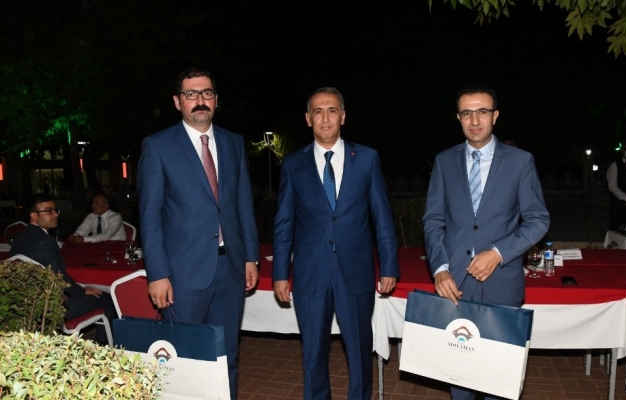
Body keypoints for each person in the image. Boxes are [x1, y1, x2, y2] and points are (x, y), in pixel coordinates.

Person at [137, 67, 259, 400]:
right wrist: (157, 273)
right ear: (178, 102)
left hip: (230, 269)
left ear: (216, 100)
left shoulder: (233, 143)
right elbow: (150, 215)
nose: (199, 100)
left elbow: (243, 204)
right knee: (185, 359)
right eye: (191, 94)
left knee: (226, 356)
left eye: (206, 93)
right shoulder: (158, 146)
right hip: (183, 274)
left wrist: (250, 256)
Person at [422, 84, 550, 400]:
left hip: (502, 285)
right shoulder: (444, 161)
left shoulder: (520, 161)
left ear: (495, 115)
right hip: (455, 286)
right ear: (458, 117)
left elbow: (538, 220)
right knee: (459, 383)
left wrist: (498, 253)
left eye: (482, 111)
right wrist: (439, 268)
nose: (474, 120)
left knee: (498, 384)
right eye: (467, 113)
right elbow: (433, 220)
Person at [272, 87, 399, 400]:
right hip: (310, 274)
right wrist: (279, 273)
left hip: (355, 272)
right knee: (313, 355)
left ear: (343, 116)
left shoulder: (366, 158)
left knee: (359, 352)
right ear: (308, 119)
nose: (325, 118)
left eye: (332, 110)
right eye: (318, 111)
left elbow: (382, 217)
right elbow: (284, 222)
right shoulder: (293, 164)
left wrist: (389, 265)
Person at [9, 195, 115, 343]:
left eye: (55, 210)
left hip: (26, 304)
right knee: (107, 298)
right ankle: (104, 348)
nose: (56, 214)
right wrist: (81, 290)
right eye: (49, 211)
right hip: (50, 307)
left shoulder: (19, 238)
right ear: (34, 216)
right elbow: (60, 278)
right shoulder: (46, 241)